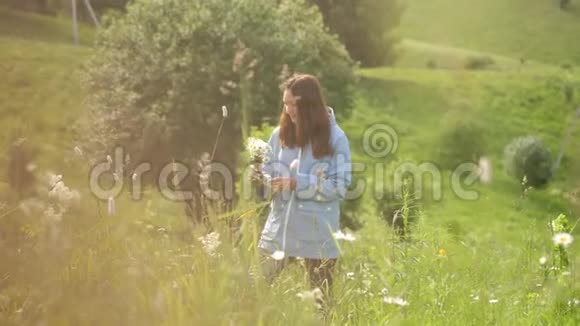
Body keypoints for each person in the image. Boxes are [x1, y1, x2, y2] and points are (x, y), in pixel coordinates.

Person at [252, 74, 352, 305]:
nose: (289, 110)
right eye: (285, 104)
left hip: (317, 236)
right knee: (253, 291)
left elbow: (340, 187)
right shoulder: (279, 135)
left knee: (320, 306)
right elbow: (267, 171)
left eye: (294, 104)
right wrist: (262, 180)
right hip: (279, 229)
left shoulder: (336, 138)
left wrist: (299, 183)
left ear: (310, 104)